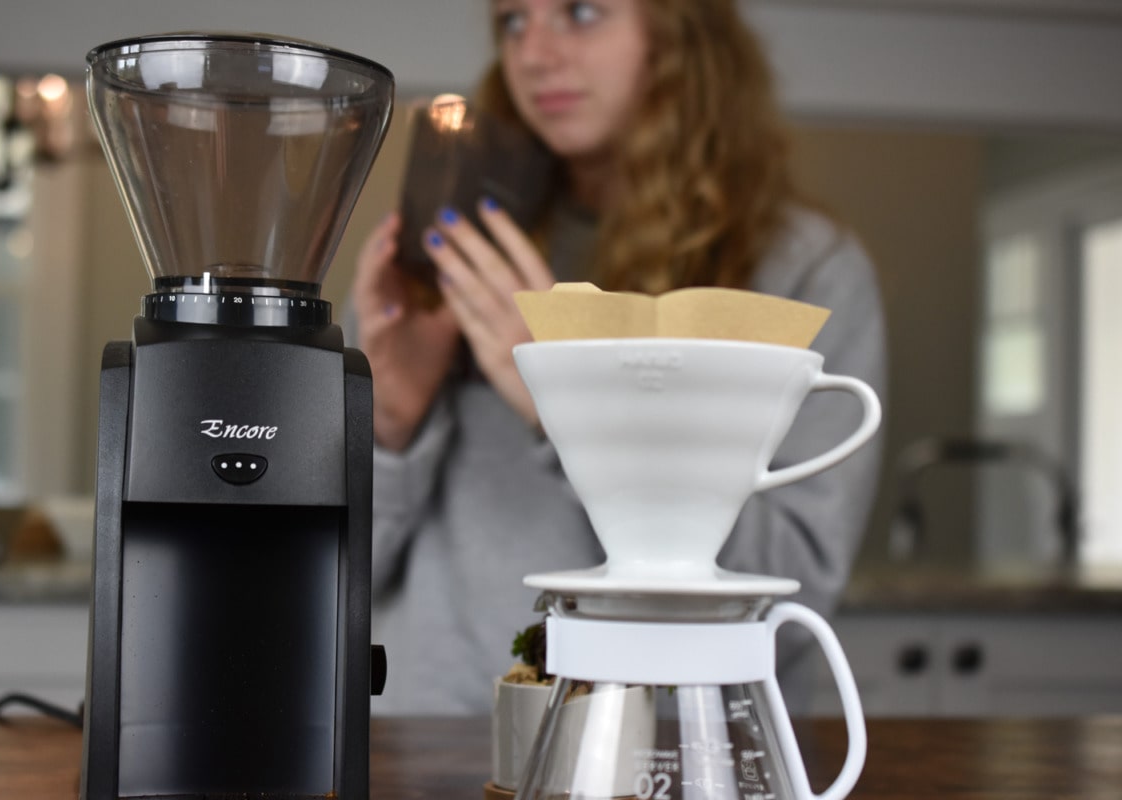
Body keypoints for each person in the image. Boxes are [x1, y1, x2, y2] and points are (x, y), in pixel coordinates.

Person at [347, 0, 886, 714]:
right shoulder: (460, 245)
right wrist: (389, 421)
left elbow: (791, 591)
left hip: (677, 747)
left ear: (679, 36)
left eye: (581, 11)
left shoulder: (805, 271)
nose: (534, 54)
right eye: (513, 21)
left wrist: (566, 401)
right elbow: (340, 574)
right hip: (428, 735)